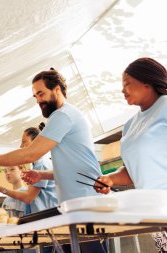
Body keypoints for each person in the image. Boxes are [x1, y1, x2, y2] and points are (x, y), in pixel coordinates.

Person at [0, 68, 106, 252]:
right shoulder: (65, 116)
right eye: (35, 96)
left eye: (41, 93)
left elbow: (30, 154)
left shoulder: (63, 116)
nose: (38, 100)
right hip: (75, 207)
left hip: (84, 205)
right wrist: (41, 174)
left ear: (57, 90)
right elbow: (73, 169)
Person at [94, 57, 167, 252]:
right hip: (155, 214)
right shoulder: (129, 125)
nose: (122, 89)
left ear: (147, 82)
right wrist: (109, 179)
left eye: (127, 83)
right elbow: (132, 169)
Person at [0, 126, 58, 215]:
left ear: (36, 142)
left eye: (24, 142)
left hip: (47, 216)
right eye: (5, 171)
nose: (21, 146)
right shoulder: (38, 163)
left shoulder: (42, 164)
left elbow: (28, 198)